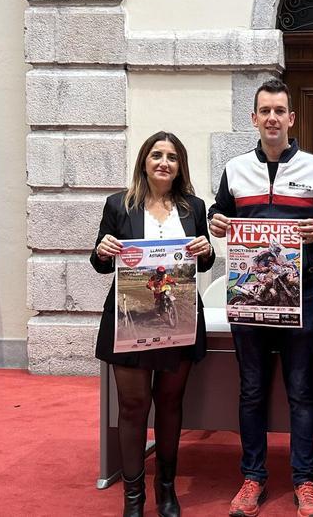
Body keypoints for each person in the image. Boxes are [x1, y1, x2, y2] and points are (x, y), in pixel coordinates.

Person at [208, 78, 313, 517]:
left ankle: (304, 481)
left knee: (301, 391)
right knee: (251, 391)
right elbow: (217, 213)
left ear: (291, 118)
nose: (272, 118)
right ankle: (253, 478)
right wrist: (217, 222)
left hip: (298, 297)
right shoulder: (235, 169)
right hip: (248, 300)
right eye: (265, 111)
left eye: (280, 110)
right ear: (254, 118)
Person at [91, 132, 216, 517]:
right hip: (129, 317)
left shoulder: (194, 207)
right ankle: (133, 496)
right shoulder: (118, 205)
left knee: (169, 403)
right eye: (157, 155)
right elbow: (99, 263)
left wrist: (207, 250)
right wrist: (101, 250)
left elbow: (205, 263)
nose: (164, 162)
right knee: (132, 405)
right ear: (144, 161)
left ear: (181, 167)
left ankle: (166, 490)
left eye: (172, 157)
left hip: (178, 317)